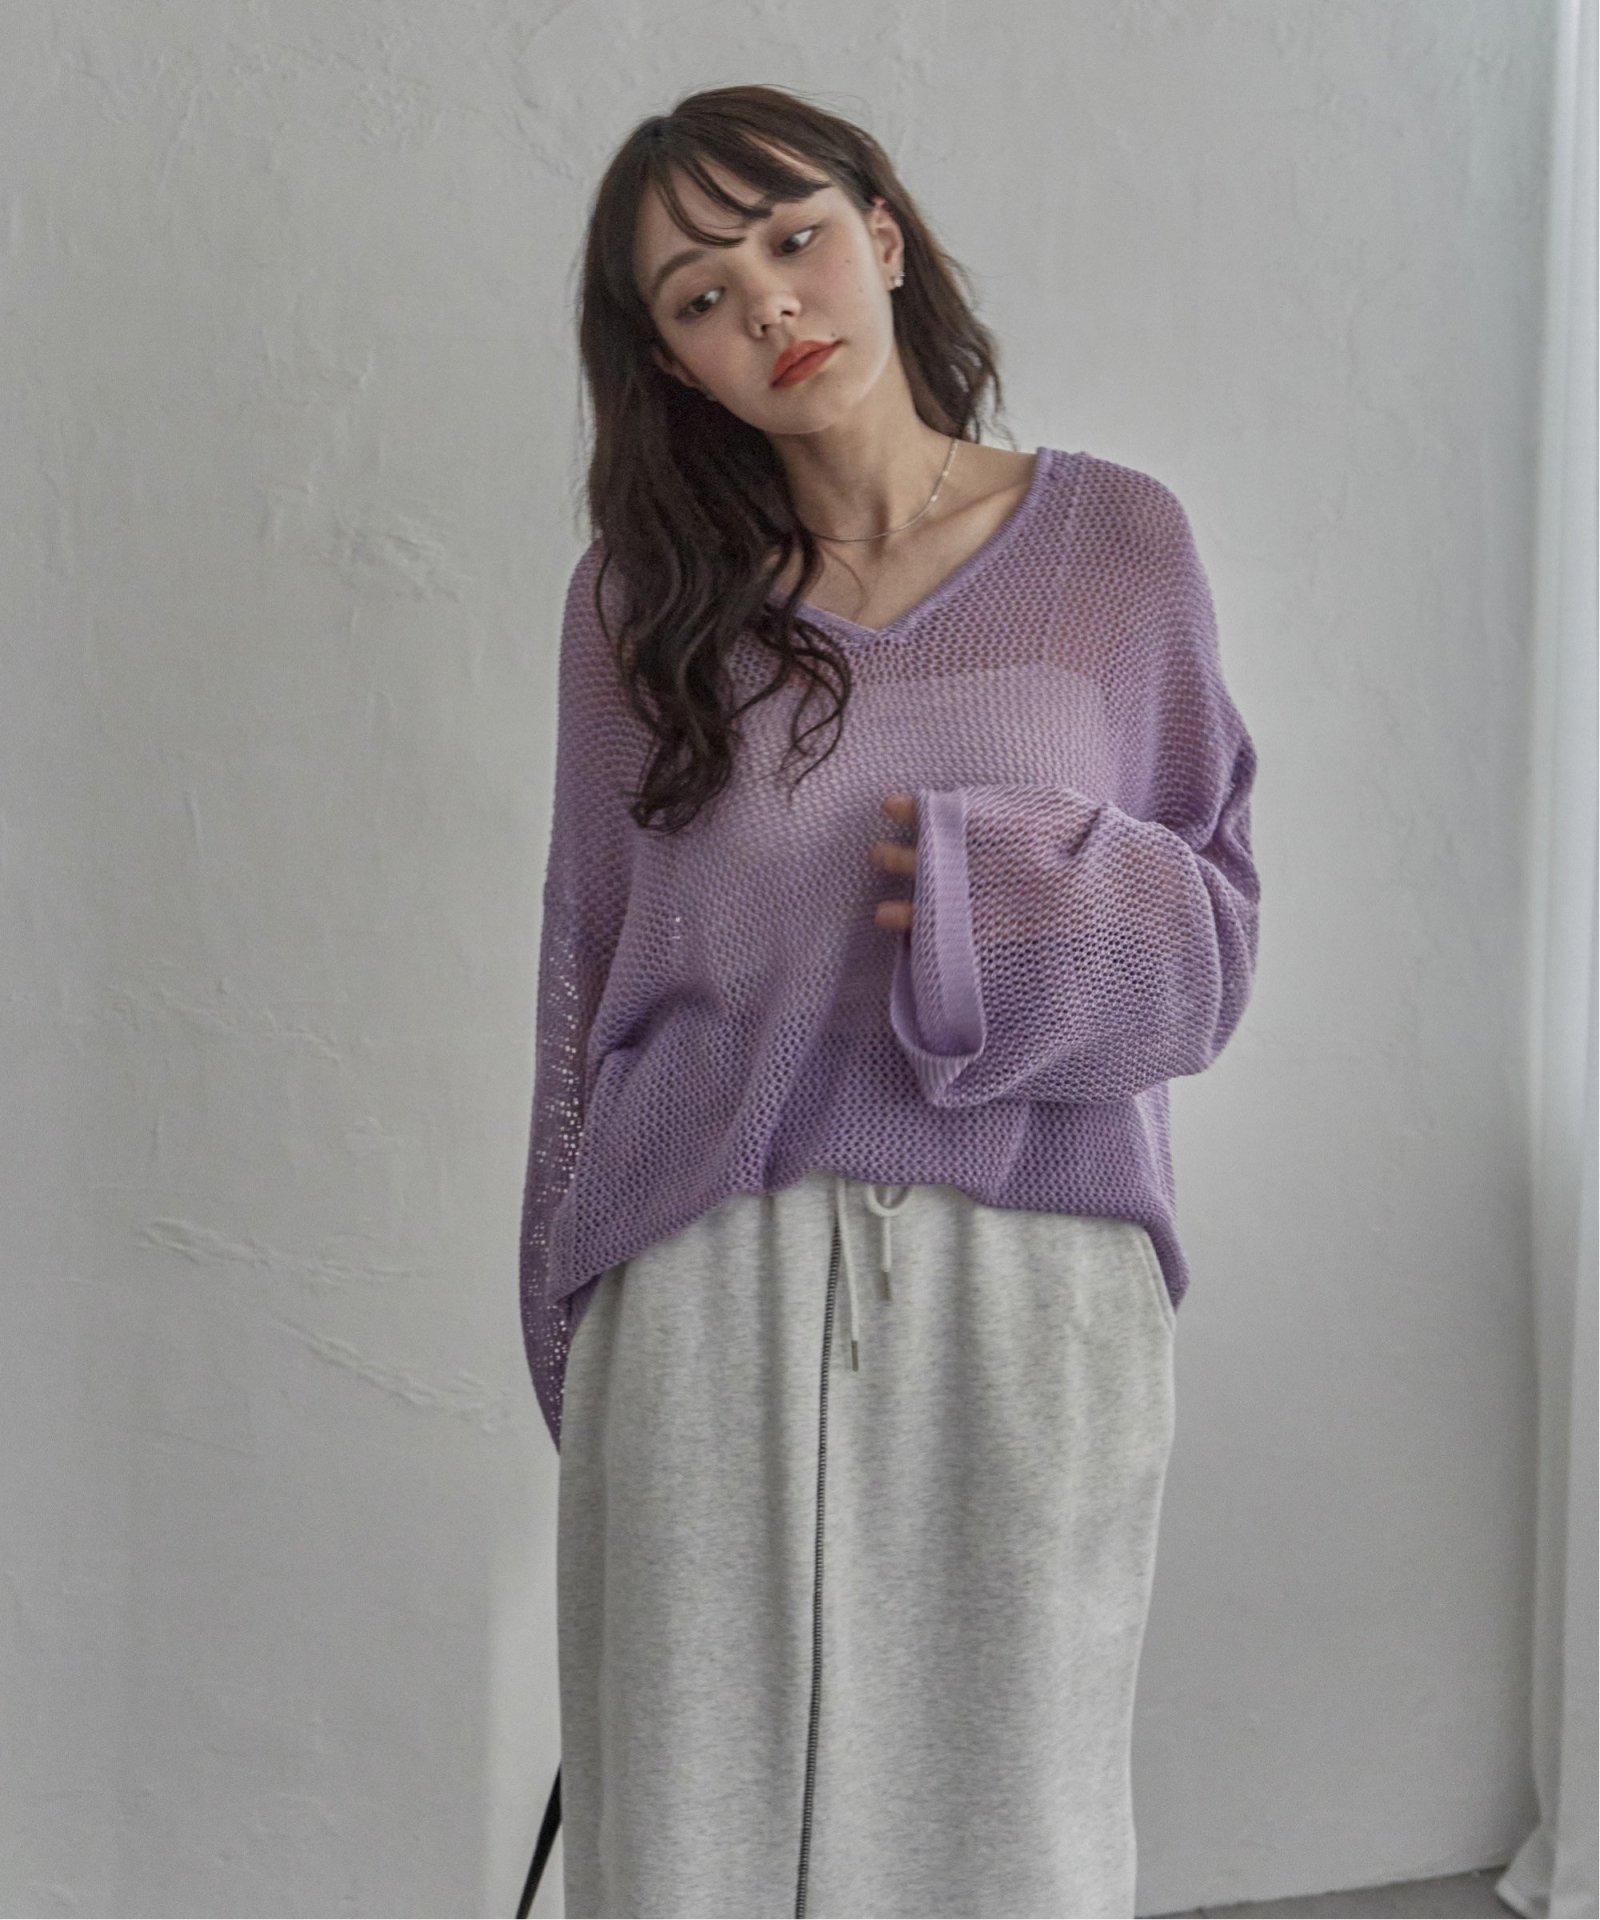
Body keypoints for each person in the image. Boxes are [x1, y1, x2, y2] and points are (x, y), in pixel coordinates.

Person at [519, 81, 1261, 1919]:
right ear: (672, 363)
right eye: (701, 295)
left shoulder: (1119, 550)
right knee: (687, 1845)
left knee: (1008, 1843)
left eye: (794, 240)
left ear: (884, 236)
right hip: (712, 1275)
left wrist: (1001, 894)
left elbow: (1215, 948)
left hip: (1031, 1274)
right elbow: (586, 972)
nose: (769, 304)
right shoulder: (640, 607)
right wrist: (572, 1313)